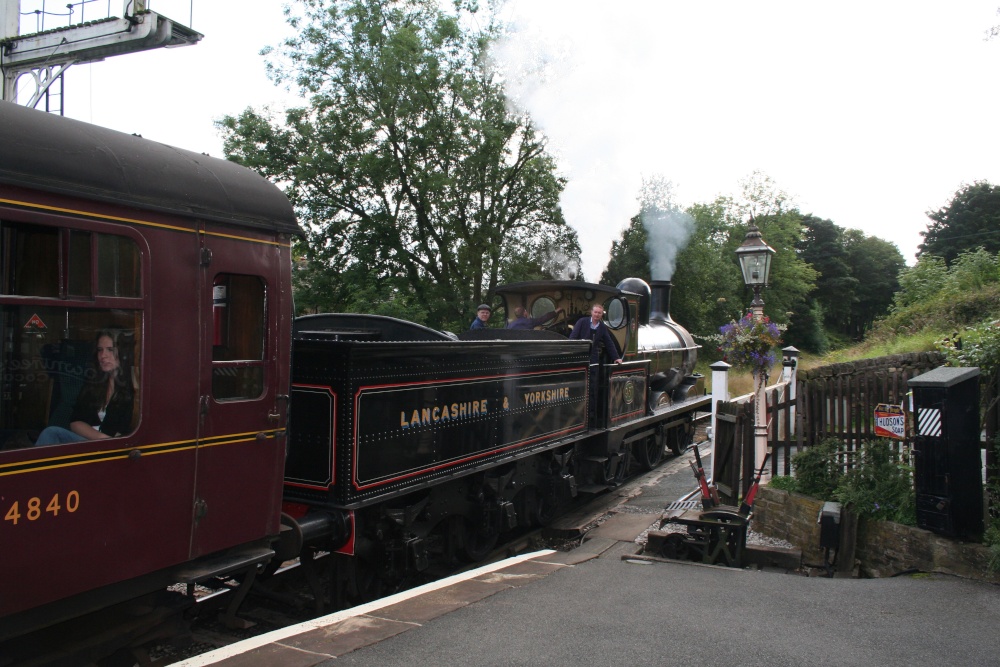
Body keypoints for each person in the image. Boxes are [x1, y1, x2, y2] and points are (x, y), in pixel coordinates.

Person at [35, 329, 135, 446]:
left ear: (124, 352)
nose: (103, 355)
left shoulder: (133, 386)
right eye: (100, 350)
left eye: (110, 350)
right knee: (51, 433)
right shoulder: (95, 382)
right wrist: (102, 438)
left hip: (115, 449)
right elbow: (75, 422)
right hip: (91, 442)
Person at [570, 304, 623, 421]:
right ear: (591, 312)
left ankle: (591, 414)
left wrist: (616, 357)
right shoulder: (582, 322)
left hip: (593, 358)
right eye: (595, 312)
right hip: (580, 357)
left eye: (599, 313)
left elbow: (609, 343)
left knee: (593, 386)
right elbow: (572, 338)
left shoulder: (602, 327)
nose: (597, 315)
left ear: (601, 314)